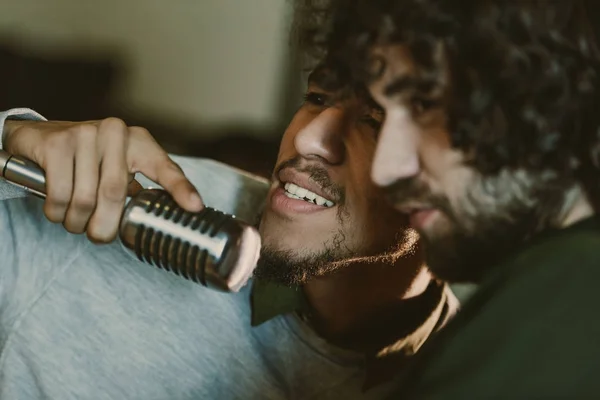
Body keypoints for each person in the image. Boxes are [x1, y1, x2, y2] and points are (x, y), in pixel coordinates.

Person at [0, 64, 456, 399]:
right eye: (317, 96)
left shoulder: (482, 367)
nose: (307, 138)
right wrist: (9, 135)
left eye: (374, 122)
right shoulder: (114, 203)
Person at [296, 0, 600, 397]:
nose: (386, 169)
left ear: (548, 90)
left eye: (424, 104)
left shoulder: (574, 282)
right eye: (384, 117)